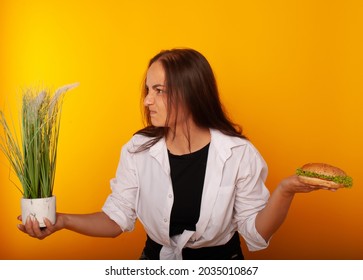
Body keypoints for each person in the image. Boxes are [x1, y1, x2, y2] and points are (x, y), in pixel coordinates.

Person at [18, 48, 327, 260]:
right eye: (148, 90)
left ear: (191, 94)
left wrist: (285, 191)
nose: (148, 101)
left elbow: (255, 233)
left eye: (159, 90)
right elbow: (116, 220)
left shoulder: (239, 153)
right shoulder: (137, 149)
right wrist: (62, 221)